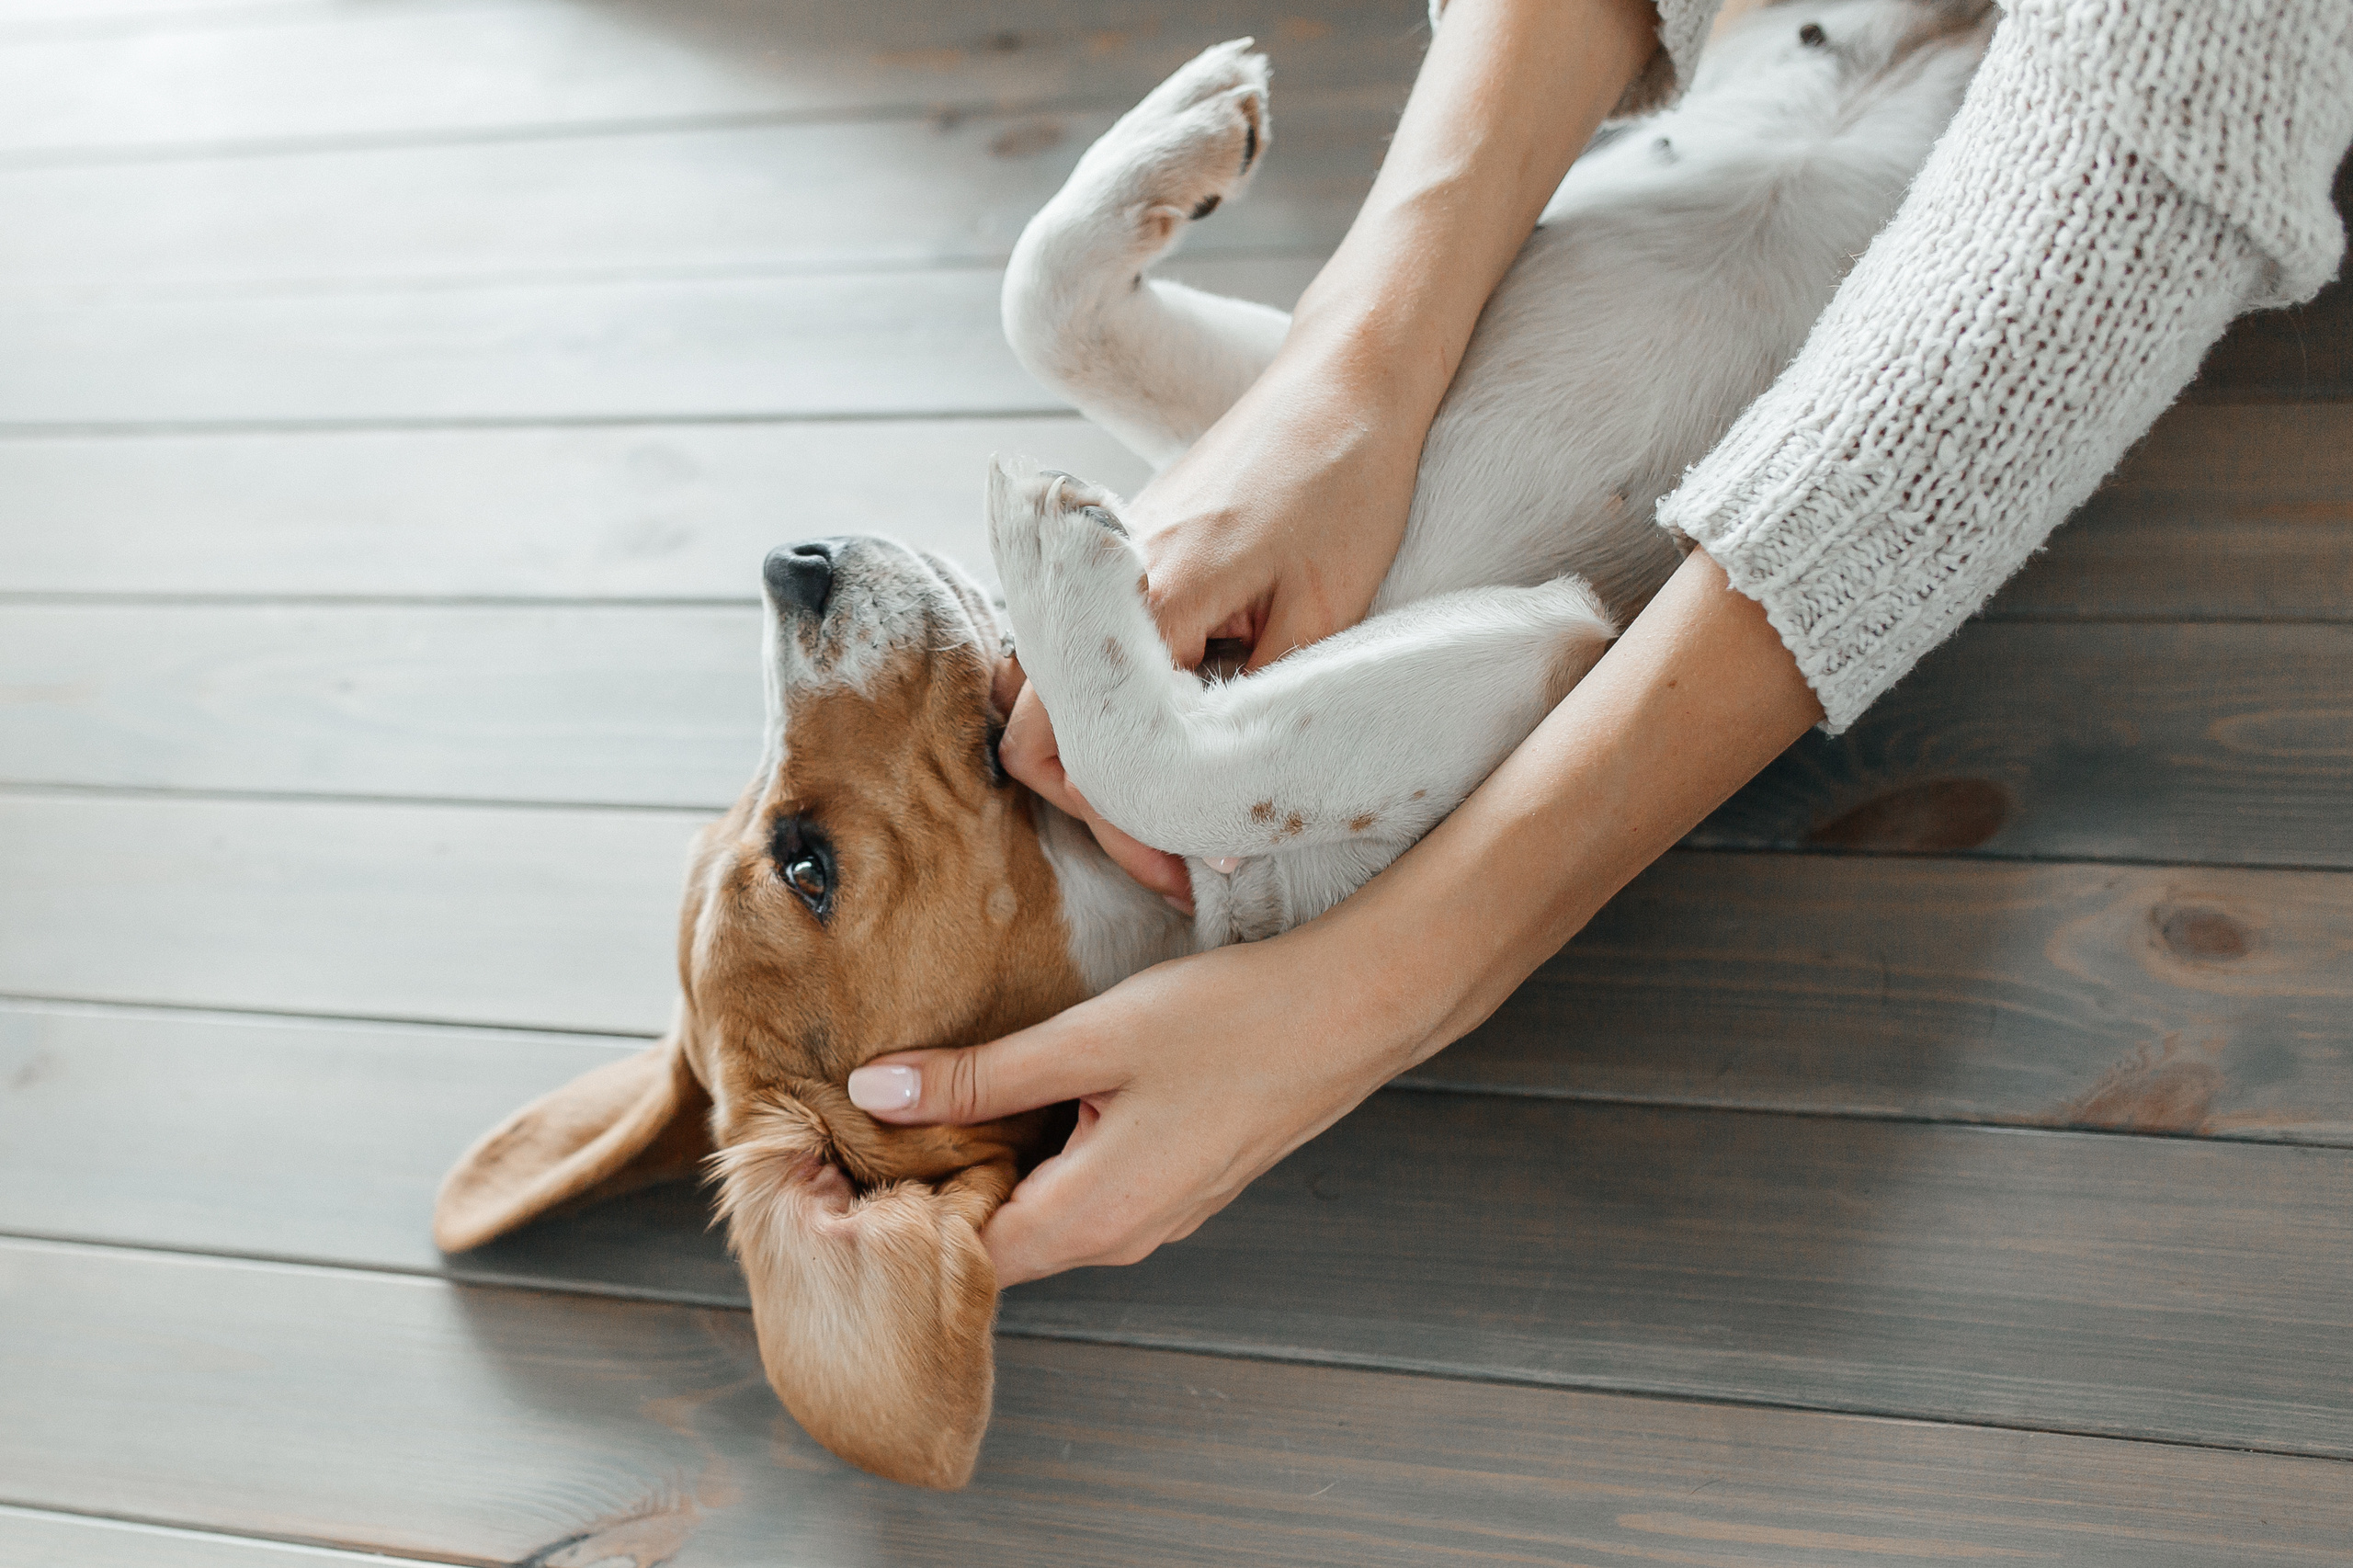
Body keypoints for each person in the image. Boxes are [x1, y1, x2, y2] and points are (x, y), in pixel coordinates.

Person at [846, 0, 2353, 1285]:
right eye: (812, 858)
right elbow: (1527, 635)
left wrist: (1092, 330)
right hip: (1926, 130)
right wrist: (1330, 398)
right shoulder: (1276, 867)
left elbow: (1439, 456)